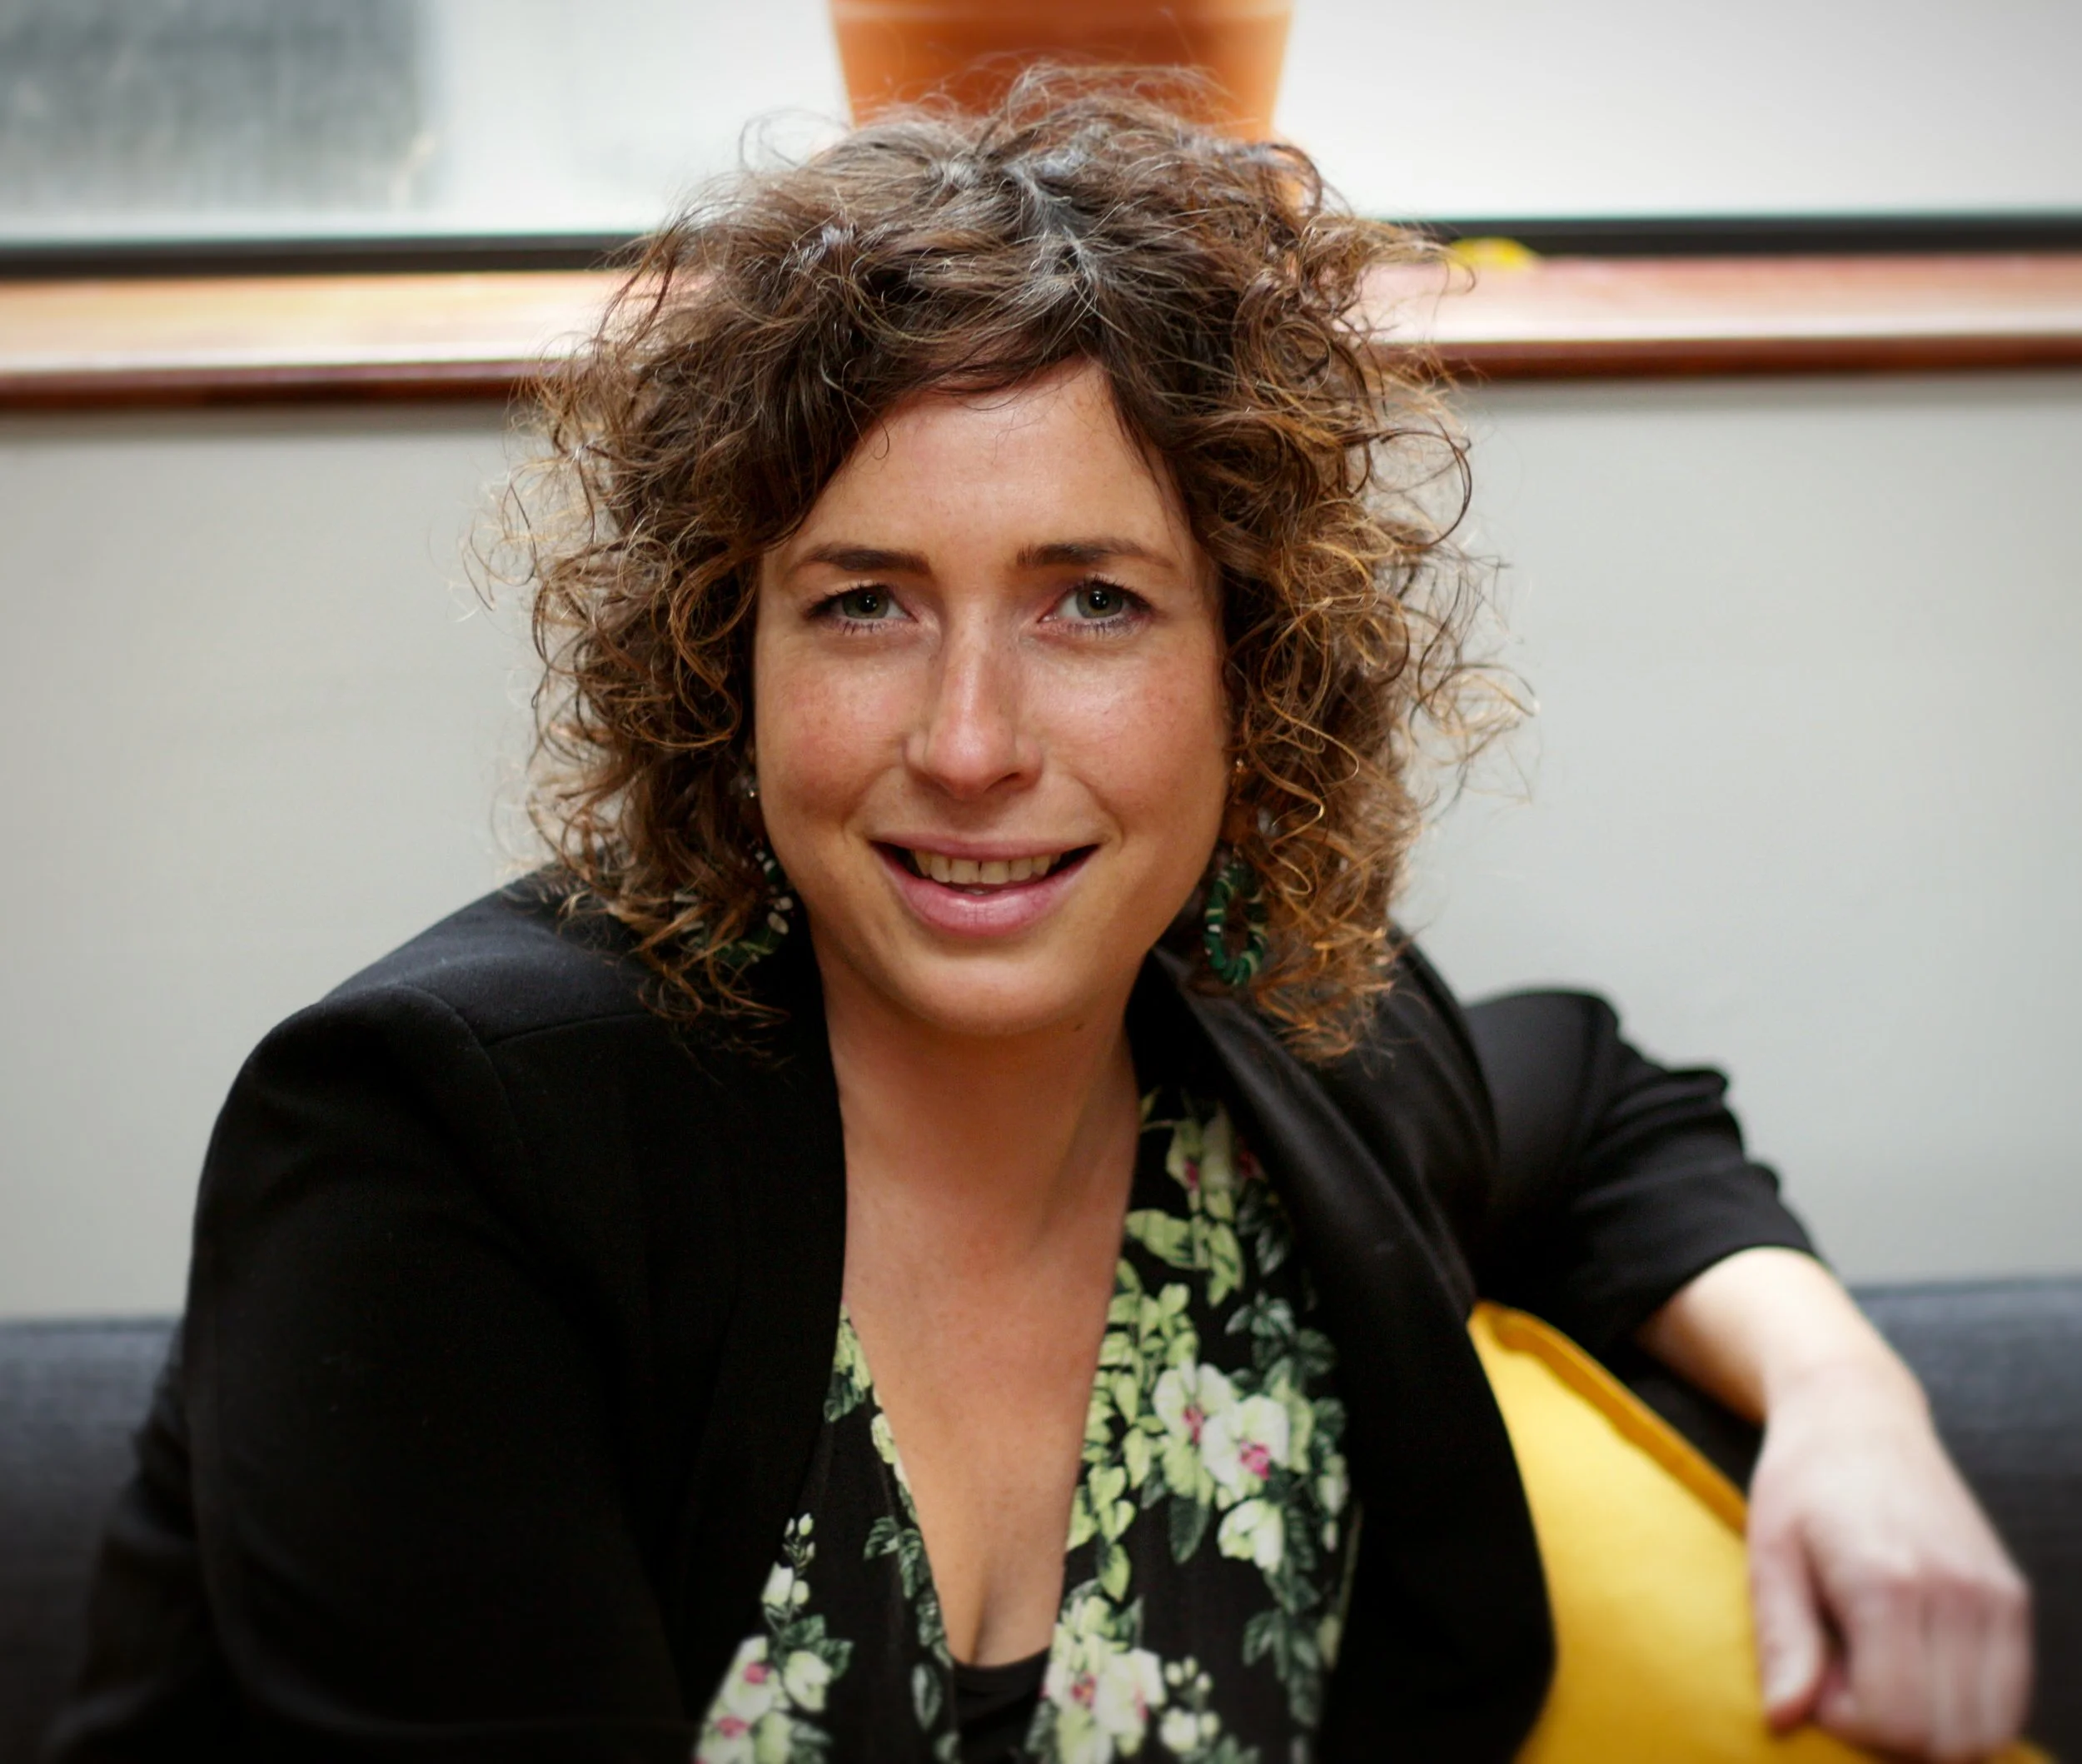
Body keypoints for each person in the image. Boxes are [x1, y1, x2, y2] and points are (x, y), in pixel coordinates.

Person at [47, 73, 2028, 1764]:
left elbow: (1596, 1108)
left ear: (1253, 672)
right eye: (861, 602)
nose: (971, 742)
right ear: (717, 664)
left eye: (1091, 599)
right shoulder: (447, 1151)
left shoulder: (1289, 1058)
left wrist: (1850, 1410)